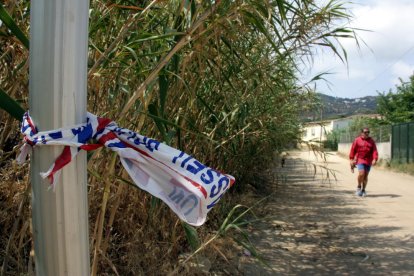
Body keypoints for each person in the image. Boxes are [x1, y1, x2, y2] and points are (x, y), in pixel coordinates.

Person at [349, 127, 378, 197]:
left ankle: (363, 190)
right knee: (361, 173)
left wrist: (375, 159)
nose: (367, 133)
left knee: (365, 176)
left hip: (368, 160)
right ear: (362, 133)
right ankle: (359, 187)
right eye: (365, 132)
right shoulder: (357, 140)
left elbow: (374, 151)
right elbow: (353, 150)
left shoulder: (371, 141)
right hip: (360, 159)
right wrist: (351, 159)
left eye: (368, 132)